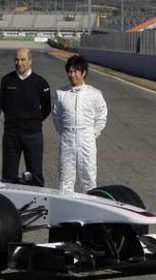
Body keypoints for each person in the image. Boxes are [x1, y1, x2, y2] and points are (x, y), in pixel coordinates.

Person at [52, 55, 108, 194]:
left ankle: (91, 212)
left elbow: (101, 117)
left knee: (88, 178)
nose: (72, 75)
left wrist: (91, 134)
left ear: (83, 73)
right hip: (67, 138)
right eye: (70, 71)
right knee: (65, 179)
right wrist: (67, 132)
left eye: (76, 71)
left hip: (87, 139)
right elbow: (56, 117)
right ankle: (65, 211)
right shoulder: (61, 94)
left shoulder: (95, 94)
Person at [0, 48, 51, 186]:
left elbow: (46, 108)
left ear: (30, 61)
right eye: (16, 59)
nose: (19, 63)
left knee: (35, 175)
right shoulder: (6, 81)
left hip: (33, 135)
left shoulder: (41, 83)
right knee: (8, 175)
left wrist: (32, 121)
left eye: (22, 59)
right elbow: (2, 104)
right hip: (11, 135)